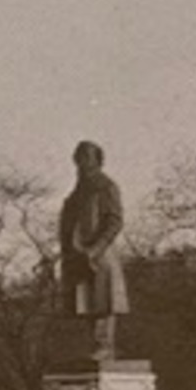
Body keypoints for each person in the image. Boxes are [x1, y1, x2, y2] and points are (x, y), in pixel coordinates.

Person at [58, 139, 127, 359]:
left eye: (87, 157)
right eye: (79, 158)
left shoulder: (106, 187)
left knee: (103, 300)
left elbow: (114, 221)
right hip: (78, 253)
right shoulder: (75, 194)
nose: (82, 163)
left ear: (97, 160)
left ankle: (105, 346)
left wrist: (97, 249)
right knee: (86, 302)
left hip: (100, 253)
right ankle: (96, 345)